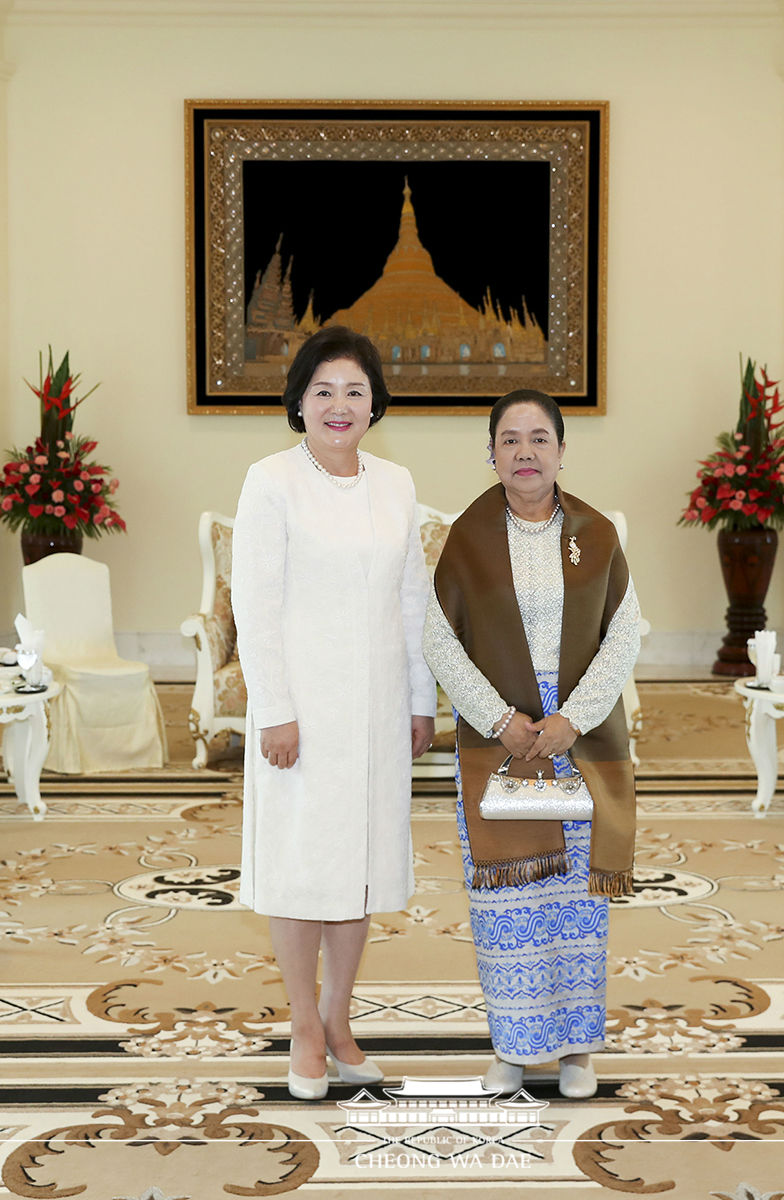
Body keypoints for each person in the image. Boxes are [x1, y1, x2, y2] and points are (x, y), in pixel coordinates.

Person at [232, 326, 436, 1101]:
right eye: (323, 391)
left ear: (375, 402)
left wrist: (420, 700)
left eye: (354, 390)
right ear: (300, 402)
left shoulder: (396, 483)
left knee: (359, 869)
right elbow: (257, 605)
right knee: (303, 869)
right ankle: (303, 1027)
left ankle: (339, 1017)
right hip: (303, 716)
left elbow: (412, 600)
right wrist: (275, 709)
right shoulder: (271, 481)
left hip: (380, 711)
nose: (340, 405)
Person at [423, 389, 640, 1098]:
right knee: (508, 904)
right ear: (491, 453)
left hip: (579, 735)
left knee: (577, 899)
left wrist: (571, 720)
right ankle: (513, 1046)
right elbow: (438, 640)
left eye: (538, 438)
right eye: (510, 439)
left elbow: (623, 638)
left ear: (561, 451)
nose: (524, 451)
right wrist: (499, 719)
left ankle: (577, 1049)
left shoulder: (600, 536)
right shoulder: (467, 538)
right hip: (501, 739)